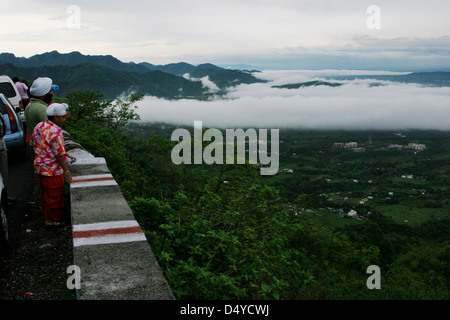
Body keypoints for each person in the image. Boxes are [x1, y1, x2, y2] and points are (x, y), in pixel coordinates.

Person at [31, 103, 76, 227]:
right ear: (56, 117)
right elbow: (58, 153)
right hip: (52, 169)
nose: (65, 119)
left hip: (40, 166)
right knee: (55, 195)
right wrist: (66, 171)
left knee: (45, 194)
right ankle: (54, 220)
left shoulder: (40, 125)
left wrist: (65, 153)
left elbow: (39, 144)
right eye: (62, 117)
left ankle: (47, 217)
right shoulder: (55, 131)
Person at [24, 77, 54, 143]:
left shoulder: (29, 105)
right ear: (44, 94)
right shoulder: (42, 109)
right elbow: (50, 132)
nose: (52, 93)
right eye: (50, 91)